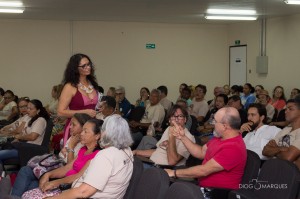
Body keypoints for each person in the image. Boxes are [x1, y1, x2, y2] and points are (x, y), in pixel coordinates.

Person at [46, 115, 134, 199]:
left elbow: (83, 192)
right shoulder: (127, 151)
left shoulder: (106, 155)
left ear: (107, 133)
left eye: (103, 130)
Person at [165, 107, 247, 192]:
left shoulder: (234, 148)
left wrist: (174, 173)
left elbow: (204, 170)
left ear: (224, 126)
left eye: (215, 121)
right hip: (202, 186)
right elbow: (201, 152)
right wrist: (182, 137)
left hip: (216, 193)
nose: (213, 124)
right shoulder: (220, 137)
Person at [11, 113, 92, 197]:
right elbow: (61, 155)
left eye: (73, 125)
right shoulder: (73, 137)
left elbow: (70, 168)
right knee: (27, 172)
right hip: (56, 165)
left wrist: (71, 148)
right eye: (70, 124)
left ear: (83, 127)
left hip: (61, 172)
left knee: (30, 179)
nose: (70, 127)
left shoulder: (84, 146)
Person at [57, 53, 100, 146]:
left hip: (91, 129)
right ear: (75, 68)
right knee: (74, 157)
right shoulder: (70, 86)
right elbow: (60, 112)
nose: (88, 67)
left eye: (89, 64)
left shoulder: (92, 83)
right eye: (83, 66)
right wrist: (84, 111)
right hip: (76, 128)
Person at [262, 95, 300, 169]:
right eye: (286, 109)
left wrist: (275, 149)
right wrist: (283, 149)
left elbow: (289, 157)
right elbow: (265, 151)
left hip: (289, 175)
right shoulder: (286, 129)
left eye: (290, 109)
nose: (286, 111)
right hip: (274, 168)